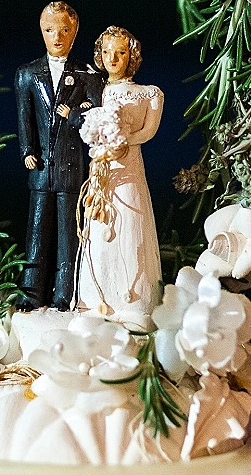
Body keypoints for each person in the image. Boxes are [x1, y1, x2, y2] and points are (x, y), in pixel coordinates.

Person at [15, 2, 104, 311]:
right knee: (37, 232)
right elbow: (25, 118)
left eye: (64, 30)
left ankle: (64, 294)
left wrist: (74, 115)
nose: (57, 37)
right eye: (50, 30)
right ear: (42, 32)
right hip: (41, 166)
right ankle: (31, 292)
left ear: (74, 33)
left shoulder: (87, 74)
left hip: (70, 166)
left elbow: (97, 113)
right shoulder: (27, 74)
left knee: (68, 235)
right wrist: (27, 149)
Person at [76, 26, 163, 331]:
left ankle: (134, 298)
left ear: (132, 56)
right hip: (103, 166)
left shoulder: (150, 93)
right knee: (100, 223)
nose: (113, 58)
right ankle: (97, 295)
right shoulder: (95, 88)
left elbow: (149, 131)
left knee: (129, 217)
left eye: (121, 52)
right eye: (107, 52)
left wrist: (125, 140)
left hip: (128, 164)